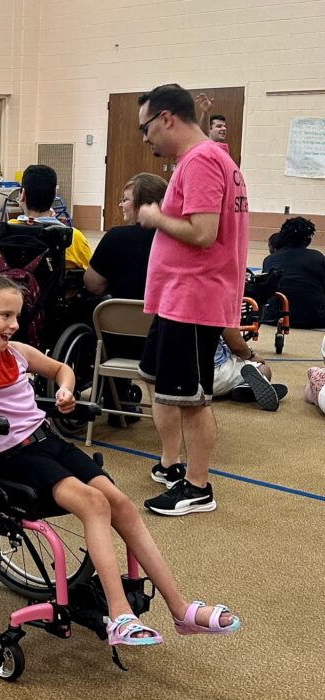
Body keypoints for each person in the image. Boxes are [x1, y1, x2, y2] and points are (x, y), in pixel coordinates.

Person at [0, 268, 241, 645]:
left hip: (47, 442)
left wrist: (65, 390)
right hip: (9, 457)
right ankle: (119, 614)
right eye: (5, 316)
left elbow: (61, 369)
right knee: (94, 503)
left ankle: (181, 609)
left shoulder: (17, 353)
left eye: (16, 316)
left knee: (121, 504)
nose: (14, 324)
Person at [135, 84, 248, 517]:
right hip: (176, 297)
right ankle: (170, 463)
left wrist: (154, 216)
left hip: (194, 298)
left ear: (166, 118)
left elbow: (202, 233)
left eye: (147, 127)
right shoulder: (205, 158)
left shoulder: (202, 160)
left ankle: (198, 486)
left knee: (192, 399)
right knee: (156, 379)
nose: (146, 138)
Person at [85, 172, 168, 300]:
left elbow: (93, 284)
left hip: (121, 318)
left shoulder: (115, 237)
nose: (121, 205)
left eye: (125, 200)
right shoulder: (179, 240)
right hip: (166, 317)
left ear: (143, 204)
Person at [12, 164, 92, 270]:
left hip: (16, 286)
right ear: (54, 196)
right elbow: (92, 279)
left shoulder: (7, 230)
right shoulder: (73, 237)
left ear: (22, 195)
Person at [261, 217, 325, 329]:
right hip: (314, 319)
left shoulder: (270, 259)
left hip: (273, 317)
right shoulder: (317, 257)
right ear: (308, 240)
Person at [212, 328, 286, 410]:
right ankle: (244, 386)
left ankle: (239, 388)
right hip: (213, 376)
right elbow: (237, 347)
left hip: (195, 383)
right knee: (263, 369)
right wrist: (251, 355)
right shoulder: (219, 314)